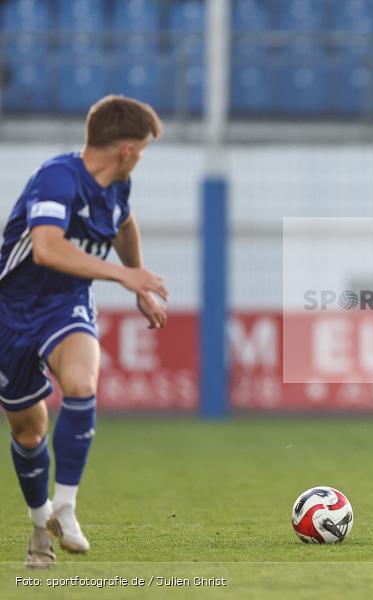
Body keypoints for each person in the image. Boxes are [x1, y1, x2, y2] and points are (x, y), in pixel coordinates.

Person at [0, 95, 168, 567]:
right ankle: (39, 527)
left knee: (80, 383)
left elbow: (123, 226)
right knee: (29, 432)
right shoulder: (58, 177)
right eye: (144, 149)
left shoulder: (117, 188)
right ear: (127, 151)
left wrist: (138, 279)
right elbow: (46, 249)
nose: (141, 158)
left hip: (66, 303)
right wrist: (123, 276)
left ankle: (66, 505)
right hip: (11, 311)